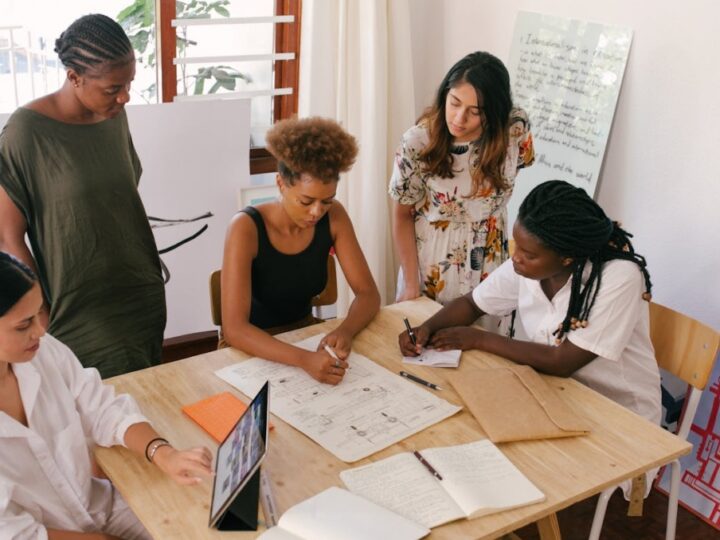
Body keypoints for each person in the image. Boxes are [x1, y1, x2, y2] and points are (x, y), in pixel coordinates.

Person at [399, 180, 661, 427]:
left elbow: (562, 361)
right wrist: (426, 329)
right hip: (559, 395)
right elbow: (472, 304)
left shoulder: (618, 277)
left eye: (528, 254)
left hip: (621, 416)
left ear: (567, 258)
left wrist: (478, 339)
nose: (516, 258)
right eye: (518, 247)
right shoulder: (528, 267)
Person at [0, 251, 213, 539]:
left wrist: (163, 453)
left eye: (39, 314)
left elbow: (101, 408)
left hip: (102, 508)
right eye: (24, 325)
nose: (41, 331)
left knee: (201, 520)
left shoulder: (43, 351)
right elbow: (17, 534)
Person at [0, 14, 165, 378]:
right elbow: (9, 237)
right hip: (76, 304)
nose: (124, 96)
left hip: (139, 290)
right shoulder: (25, 132)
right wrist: (39, 309)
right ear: (74, 77)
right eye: (112, 88)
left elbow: (118, 200)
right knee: (95, 408)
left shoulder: (113, 115)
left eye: (129, 84)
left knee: (148, 397)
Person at [221, 117, 381, 385]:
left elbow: (368, 294)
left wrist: (346, 331)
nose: (317, 212)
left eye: (327, 201)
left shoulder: (334, 217)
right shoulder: (245, 228)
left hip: (304, 337)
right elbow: (235, 329)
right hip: (250, 349)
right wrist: (304, 360)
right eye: (306, 201)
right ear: (281, 184)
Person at [390, 51, 534, 309]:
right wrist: (412, 283)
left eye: (475, 111)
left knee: (486, 346)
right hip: (433, 267)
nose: (459, 118)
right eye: (454, 102)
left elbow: (505, 184)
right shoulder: (418, 142)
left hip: (492, 264)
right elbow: (402, 215)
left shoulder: (515, 130)